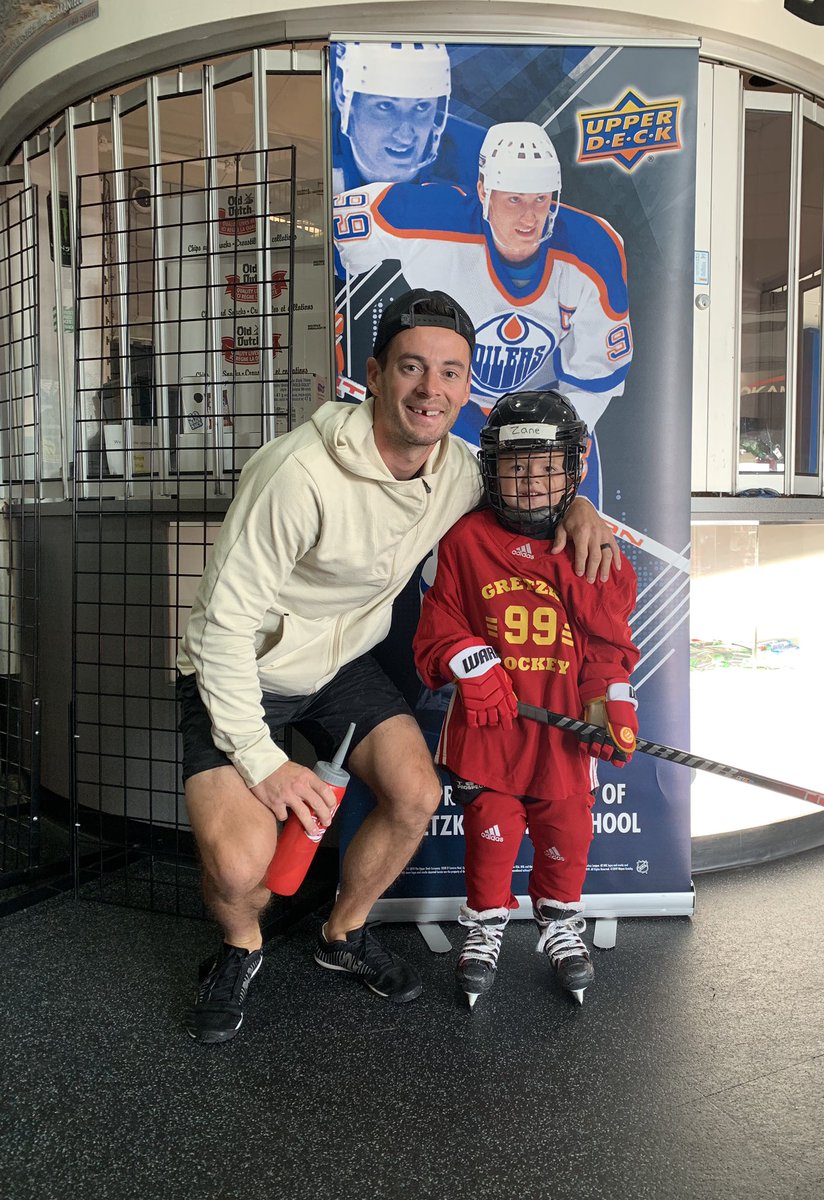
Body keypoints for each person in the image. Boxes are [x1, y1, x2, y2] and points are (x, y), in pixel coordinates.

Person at [176, 288, 620, 1043]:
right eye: (412, 368)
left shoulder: (456, 470)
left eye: (451, 373)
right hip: (245, 667)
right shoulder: (295, 474)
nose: (431, 389)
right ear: (374, 375)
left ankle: (339, 937)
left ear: (466, 387)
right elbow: (222, 629)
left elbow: (530, 484)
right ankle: (240, 947)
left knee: (416, 793)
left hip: (342, 663)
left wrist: (579, 509)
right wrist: (262, 761)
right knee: (240, 867)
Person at [413, 389, 640, 1007]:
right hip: (490, 732)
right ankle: (484, 926)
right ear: (492, 470)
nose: (532, 482)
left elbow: (605, 648)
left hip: (561, 734)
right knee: (490, 828)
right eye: (517, 467)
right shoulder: (464, 542)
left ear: (575, 467)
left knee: (567, 829)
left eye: (547, 466)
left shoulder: (595, 552)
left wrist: (609, 704)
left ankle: (561, 923)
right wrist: (471, 660)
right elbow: (436, 629)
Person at [333, 121, 633, 507]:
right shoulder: (429, 216)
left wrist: (548, 446)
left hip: (544, 408)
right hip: (450, 405)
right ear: (483, 191)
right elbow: (331, 222)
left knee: (559, 532)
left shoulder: (594, 251)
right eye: (513, 200)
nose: (529, 217)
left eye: (540, 200)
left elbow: (593, 383)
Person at [330, 41, 482, 193]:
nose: (405, 136)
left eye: (422, 107)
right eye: (385, 106)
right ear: (341, 97)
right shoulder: (318, 148)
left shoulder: (480, 158)